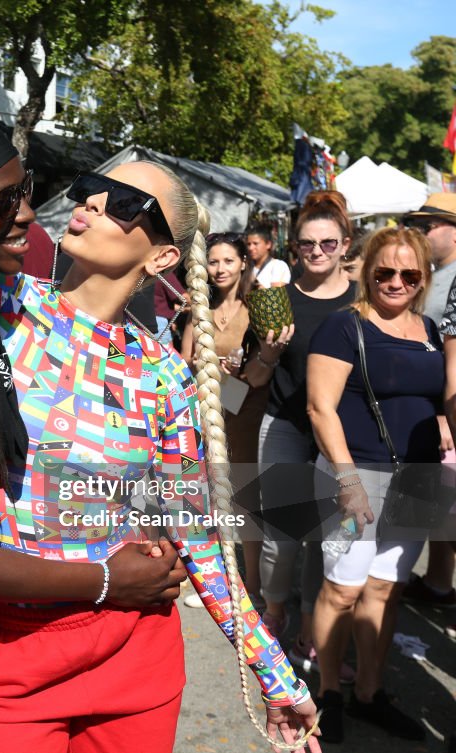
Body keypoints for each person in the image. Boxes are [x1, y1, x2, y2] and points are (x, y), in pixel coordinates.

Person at [0, 104, 319, 753]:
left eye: (125, 202)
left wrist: (275, 672)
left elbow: (199, 539)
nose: (93, 201)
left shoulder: (165, 377)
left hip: (133, 657)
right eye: (94, 188)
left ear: (162, 257)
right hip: (3, 657)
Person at [307, 226, 440, 743]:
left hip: (419, 478)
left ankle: (369, 691)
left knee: (386, 588)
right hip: (356, 473)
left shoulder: (428, 328)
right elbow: (320, 408)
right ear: (367, 271)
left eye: (409, 273)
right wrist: (346, 479)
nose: (396, 281)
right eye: (385, 271)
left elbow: (429, 399)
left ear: (423, 278)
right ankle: (328, 692)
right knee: (343, 590)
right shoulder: (343, 328)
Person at [246, 191, 358, 680]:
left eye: (328, 243)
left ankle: (312, 628)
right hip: (288, 425)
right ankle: (274, 609)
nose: (317, 252)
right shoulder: (277, 299)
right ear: (295, 248)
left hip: (339, 432)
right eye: (308, 245)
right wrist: (269, 354)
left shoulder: (364, 300)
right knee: (282, 538)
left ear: (346, 244)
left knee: (327, 542)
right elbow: (252, 376)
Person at [181, 233, 271, 603]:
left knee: (246, 496)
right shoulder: (198, 307)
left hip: (247, 408)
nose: (219, 269)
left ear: (243, 263)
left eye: (227, 261)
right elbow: (184, 357)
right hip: (208, 408)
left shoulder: (259, 305)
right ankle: (214, 579)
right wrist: (205, 364)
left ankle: (252, 587)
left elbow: (268, 360)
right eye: (213, 262)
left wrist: (241, 367)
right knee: (211, 493)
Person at [405, 193, 456, 610]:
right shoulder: (440, 276)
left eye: (429, 226)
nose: (420, 233)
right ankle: (439, 583)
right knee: (443, 510)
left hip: (447, 418)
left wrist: (443, 413)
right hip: (439, 415)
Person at [247, 222, 291, 289]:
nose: (251, 248)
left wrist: (255, 283)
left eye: (255, 243)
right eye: (249, 244)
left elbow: (276, 296)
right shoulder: (247, 267)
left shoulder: (278, 266)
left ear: (268, 244)